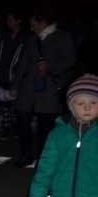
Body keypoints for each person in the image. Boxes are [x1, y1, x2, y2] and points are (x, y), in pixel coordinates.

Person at [10, 9, 77, 168]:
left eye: (34, 25)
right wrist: (15, 85)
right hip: (29, 85)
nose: (32, 28)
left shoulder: (62, 37)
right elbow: (23, 63)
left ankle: (43, 158)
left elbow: (70, 59)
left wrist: (50, 66)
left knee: (45, 125)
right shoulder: (32, 40)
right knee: (22, 118)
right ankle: (26, 154)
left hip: (49, 86)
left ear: (44, 22)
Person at [0, 10, 27, 139]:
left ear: (18, 21)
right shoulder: (5, 37)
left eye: (11, 19)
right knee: (3, 103)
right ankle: (7, 128)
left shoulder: (24, 38)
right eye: (7, 20)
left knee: (14, 103)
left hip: (14, 75)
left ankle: (17, 127)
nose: (8, 22)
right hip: (2, 73)